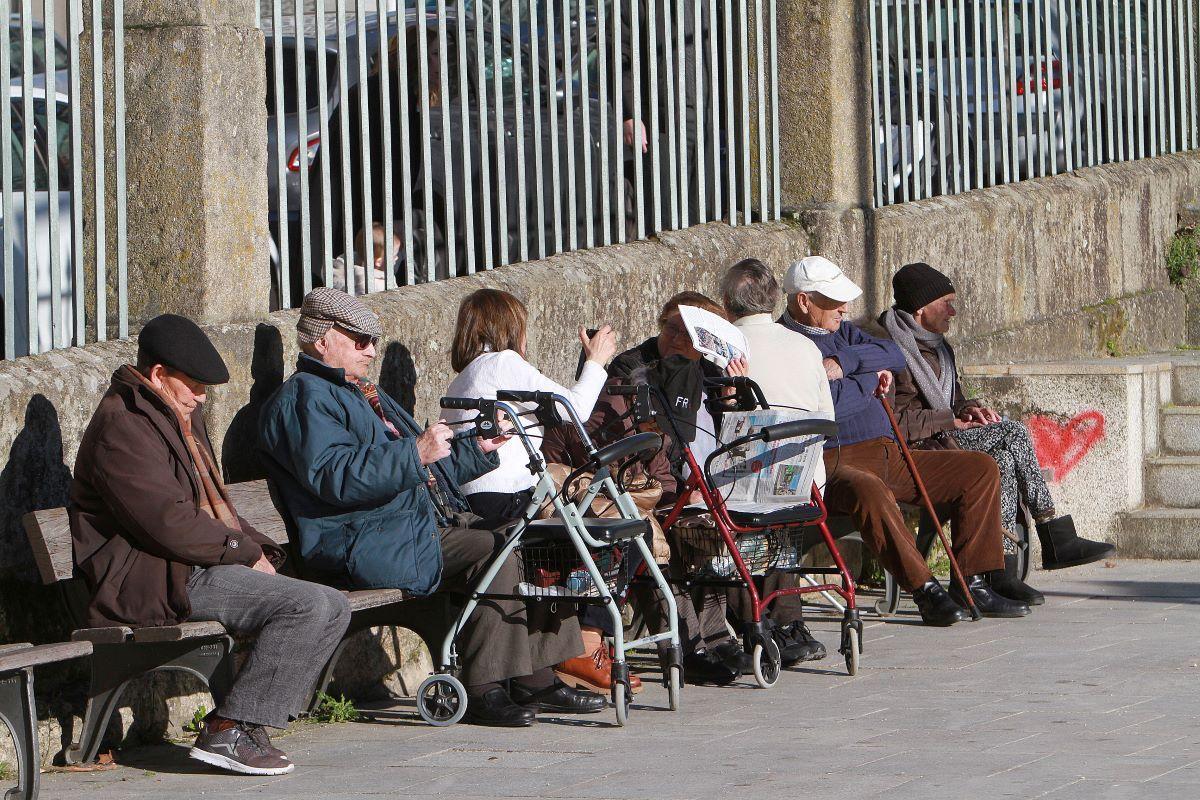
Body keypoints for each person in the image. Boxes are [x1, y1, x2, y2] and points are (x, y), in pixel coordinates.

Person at [258, 289, 602, 728]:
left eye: (372, 339)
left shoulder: (358, 391)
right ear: (321, 340)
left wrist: (476, 449)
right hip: (360, 540)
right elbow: (335, 476)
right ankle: (482, 687)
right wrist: (414, 452)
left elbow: (424, 468)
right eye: (358, 338)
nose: (370, 348)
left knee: (533, 536)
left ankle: (536, 676)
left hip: (402, 526)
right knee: (501, 546)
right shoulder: (305, 398)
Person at [70, 314, 351, 776]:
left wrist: (260, 550)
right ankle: (228, 728)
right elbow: (167, 523)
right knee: (307, 606)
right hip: (150, 578)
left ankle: (246, 725)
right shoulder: (121, 426)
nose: (201, 396)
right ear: (158, 374)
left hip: (188, 565)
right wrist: (243, 551)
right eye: (194, 384)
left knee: (331, 603)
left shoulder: (175, 415)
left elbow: (210, 502)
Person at [778, 256, 1031, 624]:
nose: (845, 308)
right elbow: (827, 407)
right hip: (832, 460)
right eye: (834, 301)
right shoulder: (789, 345)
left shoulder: (842, 333)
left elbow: (892, 354)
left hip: (889, 453)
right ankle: (925, 590)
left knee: (978, 469)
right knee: (869, 490)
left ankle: (971, 582)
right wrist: (868, 380)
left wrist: (846, 365)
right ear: (804, 301)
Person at [610, 291, 825, 678]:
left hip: (706, 480)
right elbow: (644, 438)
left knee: (764, 518)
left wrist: (732, 395)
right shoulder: (634, 368)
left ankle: (747, 632)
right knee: (672, 537)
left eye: (688, 331)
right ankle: (692, 645)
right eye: (671, 326)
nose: (677, 336)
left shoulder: (708, 371)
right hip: (653, 481)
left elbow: (730, 436)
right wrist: (684, 483)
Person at [877, 262, 1116, 599]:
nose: (953, 311)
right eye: (945, 303)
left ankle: (1000, 570)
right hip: (919, 451)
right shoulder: (888, 350)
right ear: (919, 309)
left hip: (945, 437)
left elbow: (952, 399)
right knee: (1013, 432)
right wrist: (950, 420)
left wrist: (968, 409)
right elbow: (892, 422)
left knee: (1002, 459)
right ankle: (1054, 535)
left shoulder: (939, 347)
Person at [441, 288, 631, 694]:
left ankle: (543, 671)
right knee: (580, 544)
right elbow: (573, 410)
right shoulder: (501, 362)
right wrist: (596, 362)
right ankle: (555, 665)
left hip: (480, 498)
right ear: (511, 328)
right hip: (506, 498)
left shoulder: (470, 372)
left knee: (559, 549)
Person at [719, 259, 838, 654]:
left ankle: (768, 620)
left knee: (745, 519)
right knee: (778, 526)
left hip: (740, 483)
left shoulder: (724, 348)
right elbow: (827, 420)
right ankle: (789, 622)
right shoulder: (805, 347)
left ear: (727, 302)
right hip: (804, 481)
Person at [331, 223, 402, 295]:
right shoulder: (380, 284)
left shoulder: (337, 272)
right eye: (394, 256)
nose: (397, 258)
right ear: (378, 262)